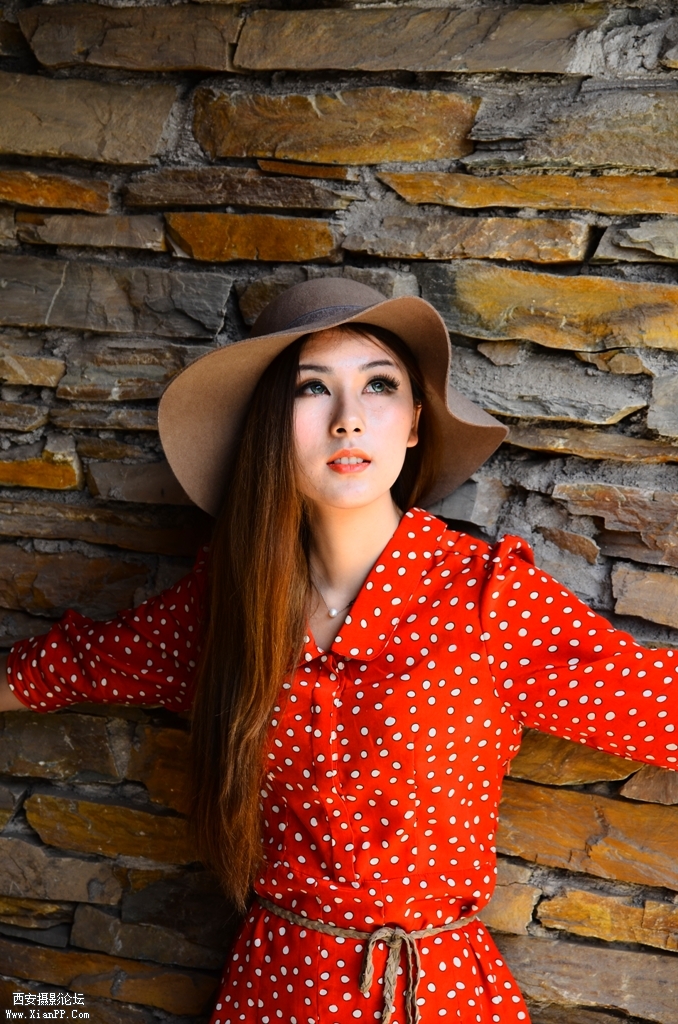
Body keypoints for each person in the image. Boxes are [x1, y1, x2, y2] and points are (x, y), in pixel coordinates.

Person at [1, 277, 677, 1024]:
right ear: (269, 426)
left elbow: (661, 704)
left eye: (379, 385)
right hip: (271, 991)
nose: (348, 419)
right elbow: (70, 666)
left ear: (414, 423)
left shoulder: (486, 600)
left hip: (431, 995)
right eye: (312, 388)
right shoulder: (230, 603)